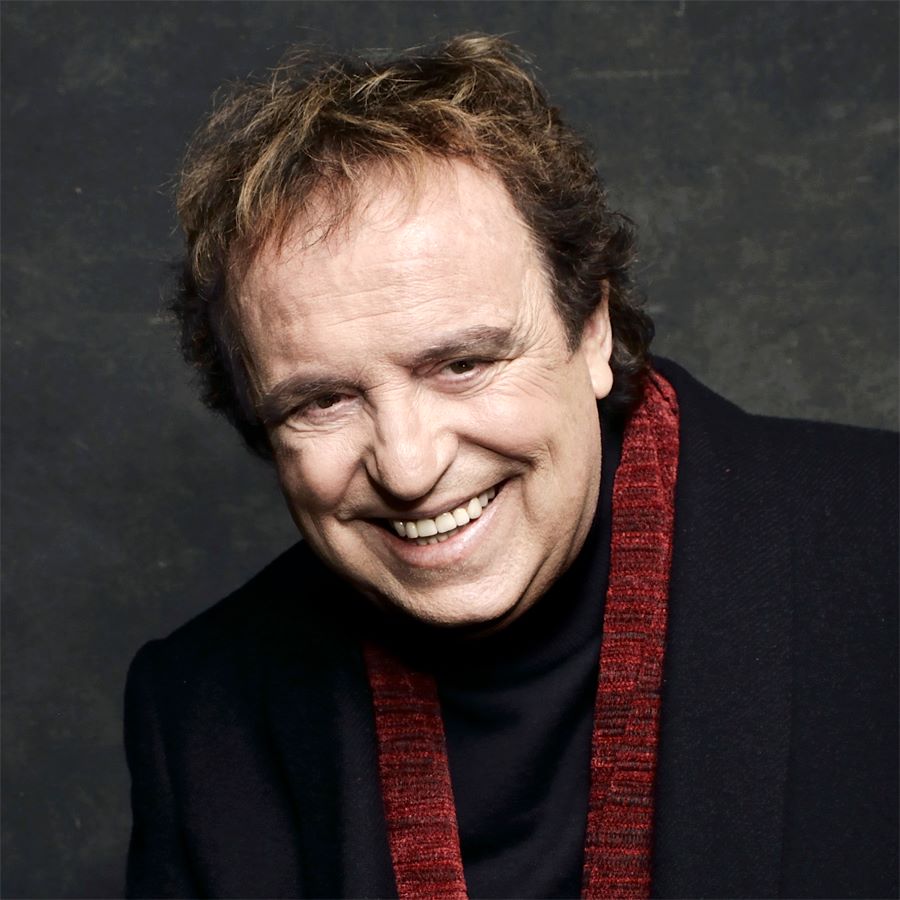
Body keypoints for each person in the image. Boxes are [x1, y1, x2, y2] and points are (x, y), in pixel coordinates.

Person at [124, 34, 898, 899]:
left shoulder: (881, 545)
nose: (409, 468)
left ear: (593, 329)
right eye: (323, 401)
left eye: (462, 364)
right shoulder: (199, 713)